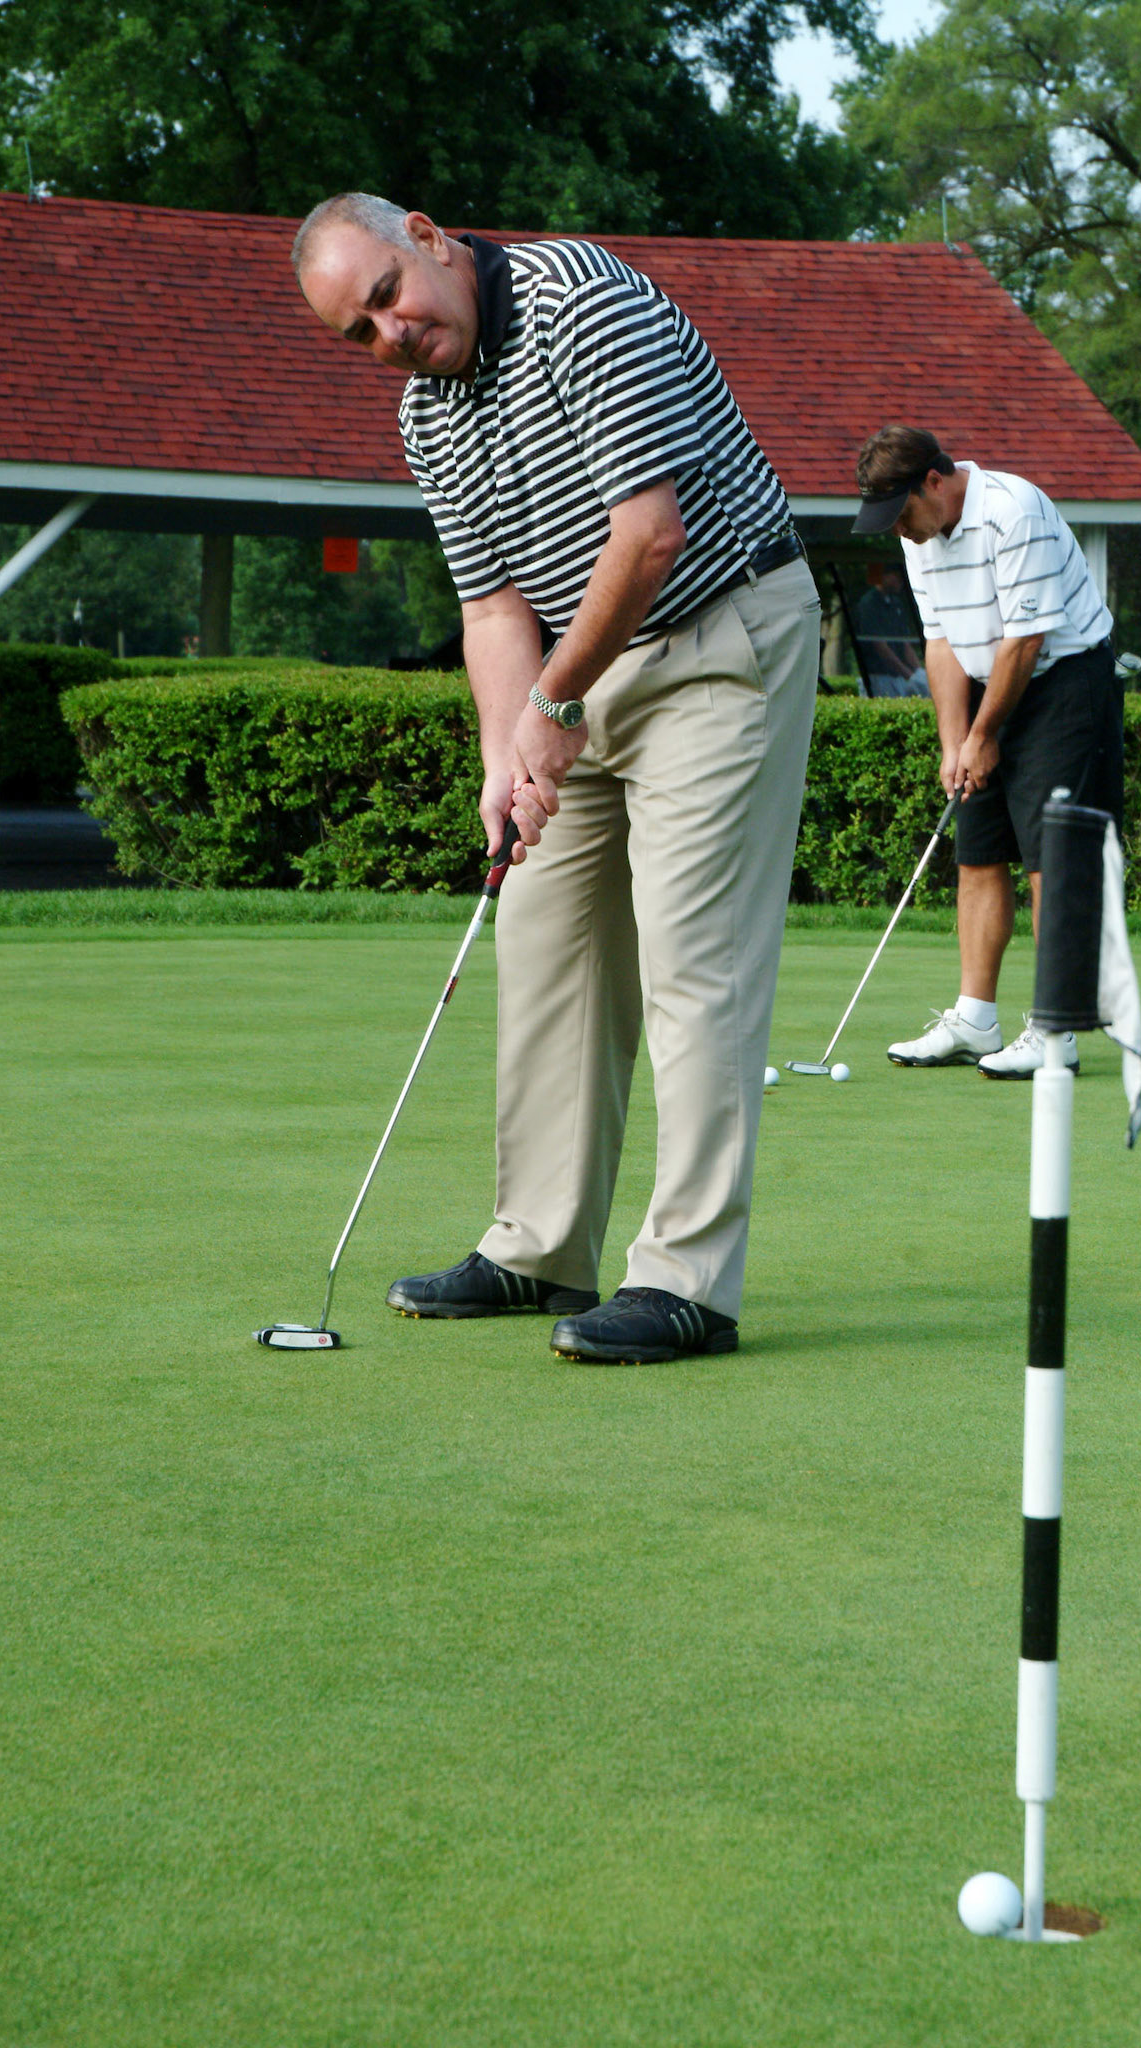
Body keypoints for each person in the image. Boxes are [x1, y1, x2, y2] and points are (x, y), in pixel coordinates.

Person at [292, 195, 820, 1362]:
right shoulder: (425, 414)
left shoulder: (577, 300)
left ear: (426, 236)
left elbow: (649, 535)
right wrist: (505, 759)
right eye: (359, 333)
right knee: (542, 938)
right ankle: (539, 1245)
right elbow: (492, 609)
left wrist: (553, 704)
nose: (390, 334)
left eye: (387, 296)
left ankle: (688, 1279)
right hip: (584, 667)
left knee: (693, 953)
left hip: (720, 634)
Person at [852, 424, 1120, 1078]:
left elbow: (1025, 642)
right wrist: (954, 745)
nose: (898, 531)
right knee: (976, 851)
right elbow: (940, 642)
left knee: (1050, 858)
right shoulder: (918, 536)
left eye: (901, 514)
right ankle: (975, 1018)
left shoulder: (1011, 511)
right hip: (985, 681)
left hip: (1064, 682)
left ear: (934, 482)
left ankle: (1055, 1030)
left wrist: (983, 736)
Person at [854, 565, 927, 697]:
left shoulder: (896, 604)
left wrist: (918, 673)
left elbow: (905, 644)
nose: (901, 582)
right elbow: (880, 646)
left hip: (898, 677)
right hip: (878, 677)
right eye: (897, 576)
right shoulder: (869, 604)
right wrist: (908, 675)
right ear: (885, 576)